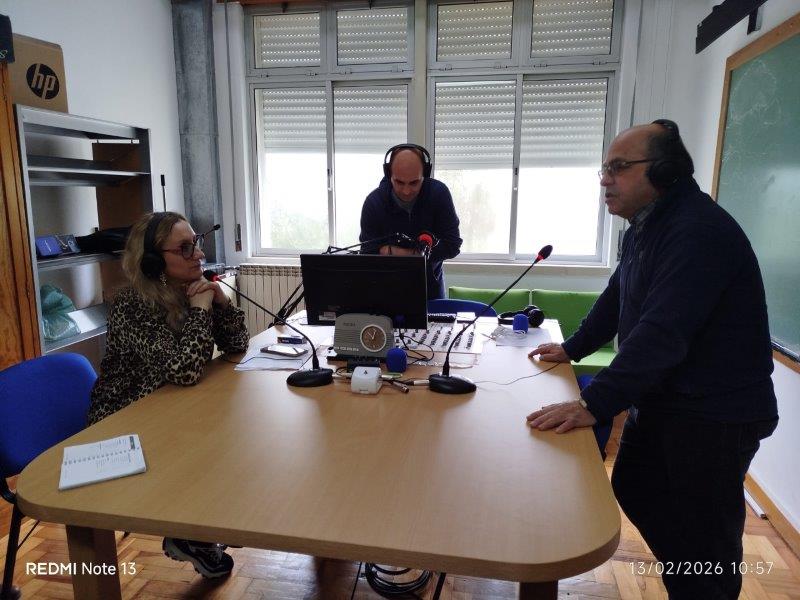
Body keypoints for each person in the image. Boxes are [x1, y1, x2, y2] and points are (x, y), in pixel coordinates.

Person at [525, 120, 778, 600]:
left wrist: (593, 403)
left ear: (663, 171)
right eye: (604, 168)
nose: (605, 180)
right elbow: (617, 295)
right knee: (637, 486)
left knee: (705, 540)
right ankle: (687, 582)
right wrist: (572, 348)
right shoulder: (645, 227)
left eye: (619, 168)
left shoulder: (697, 232)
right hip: (667, 401)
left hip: (714, 414)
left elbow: (662, 334)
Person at [87, 211, 249, 579]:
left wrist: (221, 303)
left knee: (230, 426)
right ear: (153, 261)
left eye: (197, 243)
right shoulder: (132, 305)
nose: (199, 254)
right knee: (211, 438)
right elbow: (184, 370)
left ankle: (201, 525)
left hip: (169, 403)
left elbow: (238, 344)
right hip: (124, 419)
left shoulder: (187, 290)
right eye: (185, 248)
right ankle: (192, 528)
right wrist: (200, 312)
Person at [360, 144, 462, 299]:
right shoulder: (374, 203)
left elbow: (453, 245)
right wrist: (418, 255)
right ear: (389, 174)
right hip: (387, 292)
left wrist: (394, 252)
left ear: (425, 174)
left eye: (414, 182)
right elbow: (367, 254)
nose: (406, 191)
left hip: (431, 291)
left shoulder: (439, 195)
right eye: (399, 182)